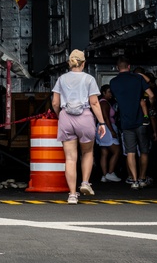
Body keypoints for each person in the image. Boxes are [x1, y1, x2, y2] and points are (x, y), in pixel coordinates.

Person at [51, 49, 108, 204]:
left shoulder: (61, 79)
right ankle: (84, 182)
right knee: (88, 152)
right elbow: (95, 103)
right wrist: (102, 122)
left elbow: (55, 103)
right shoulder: (89, 79)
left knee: (70, 158)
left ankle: (72, 195)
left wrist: (60, 115)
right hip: (84, 117)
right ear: (83, 63)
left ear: (70, 63)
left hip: (66, 117)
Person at [109, 56, 153, 189]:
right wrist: (150, 109)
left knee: (130, 152)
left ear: (118, 68)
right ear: (129, 66)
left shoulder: (113, 82)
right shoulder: (138, 78)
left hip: (126, 122)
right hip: (141, 121)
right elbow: (151, 95)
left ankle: (134, 181)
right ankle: (143, 178)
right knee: (144, 151)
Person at [96, 84, 121, 184]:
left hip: (101, 129)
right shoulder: (104, 103)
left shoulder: (102, 102)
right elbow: (106, 118)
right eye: (109, 92)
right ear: (103, 93)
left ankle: (104, 175)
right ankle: (110, 172)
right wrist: (112, 131)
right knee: (117, 151)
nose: (111, 94)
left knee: (104, 152)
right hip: (106, 129)